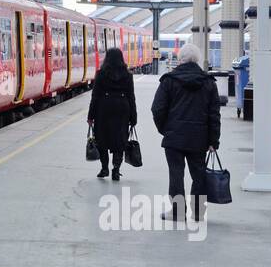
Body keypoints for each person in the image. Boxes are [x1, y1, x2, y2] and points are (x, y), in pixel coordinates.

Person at [150, 41, 221, 221]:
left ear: (180, 59)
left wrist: (165, 129)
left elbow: (157, 109)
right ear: (197, 60)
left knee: (176, 174)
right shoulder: (208, 83)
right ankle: (198, 212)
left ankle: (177, 212)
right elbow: (214, 115)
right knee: (198, 175)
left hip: (174, 138)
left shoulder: (169, 81)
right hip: (199, 139)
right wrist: (213, 141)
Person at [87, 47, 136, 181]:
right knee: (119, 139)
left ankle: (104, 168)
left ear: (107, 58)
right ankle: (116, 169)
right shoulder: (127, 75)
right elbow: (131, 97)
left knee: (102, 139)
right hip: (122, 109)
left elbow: (95, 96)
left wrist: (90, 116)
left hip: (103, 109)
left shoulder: (101, 74)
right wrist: (133, 117)